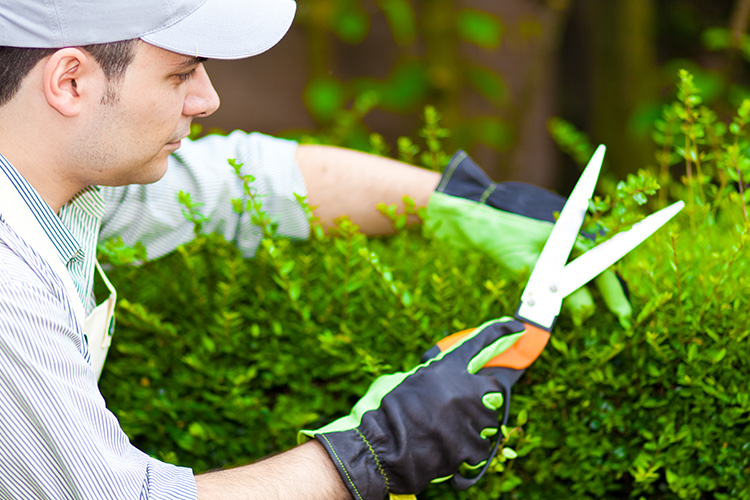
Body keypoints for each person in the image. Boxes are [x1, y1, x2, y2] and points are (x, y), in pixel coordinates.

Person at [0, 1, 629, 499]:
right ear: (71, 81)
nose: (206, 98)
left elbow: (241, 183)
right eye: (182, 72)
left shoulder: (64, 184)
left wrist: (460, 203)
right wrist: (373, 452)